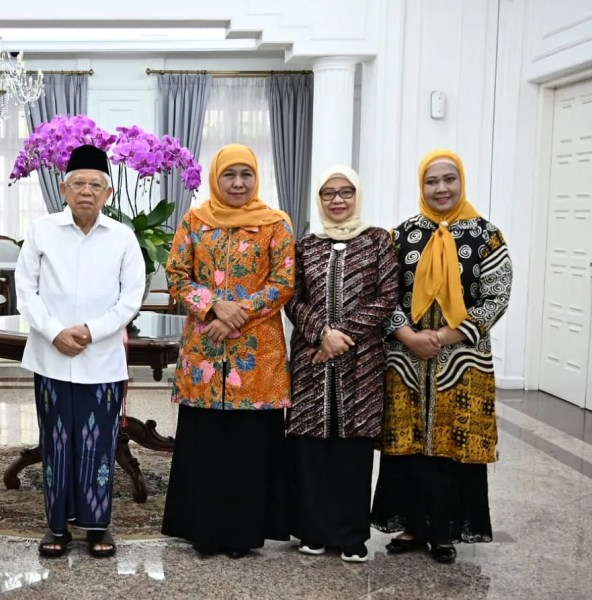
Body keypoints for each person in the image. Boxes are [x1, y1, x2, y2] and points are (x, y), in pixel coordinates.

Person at [371, 149, 512, 564]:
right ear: (422, 186)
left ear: (461, 181)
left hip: (463, 360)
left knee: (453, 445)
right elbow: (384, 293)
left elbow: (497, 296)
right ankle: (412, 526)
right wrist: (408, 335)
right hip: (406, 360)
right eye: (432, 181)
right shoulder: (402, 236)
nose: (441, 188)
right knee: (408, 446)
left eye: (449, 179)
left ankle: (445, 531)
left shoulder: (487, 236)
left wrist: (446, 335)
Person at [161, 143, 295, 558]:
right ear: (215, 178)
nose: (238, 183)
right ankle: (202, 530)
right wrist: (212, 306)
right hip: (205, 351)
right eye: (229, 175)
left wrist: (236, 313)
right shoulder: (195, 221)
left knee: (248, 448)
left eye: (246, 174)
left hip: (257, 355)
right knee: (205, 445)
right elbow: (176, 274)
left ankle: (243, 533)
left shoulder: (275, 224)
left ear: (256, 178)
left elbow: (284, 282)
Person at [15, 144, 145, 558]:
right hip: (50, 357)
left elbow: (131, 298)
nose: (86, 191)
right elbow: (25, 290)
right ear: (63, 189)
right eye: (78, 184)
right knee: (55, 444)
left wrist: (91, 331)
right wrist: (55, 332)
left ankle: (97, 525)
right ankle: (56, 526)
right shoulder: (42, 231)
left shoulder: (122, 237)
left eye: (95, 185)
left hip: (102, 360)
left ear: (108, 193)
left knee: (98, 445)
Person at [284, 165, 399, 562]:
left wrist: (340, 336)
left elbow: (387, 297)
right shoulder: (306, 245)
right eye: (329, 193)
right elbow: (293, 298)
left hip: (361, 361)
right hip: (311, 359)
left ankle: (352, 535)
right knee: (311, 449)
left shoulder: (378, 240)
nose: (337, 200)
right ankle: (313, 531)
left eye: (346, 192)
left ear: (357, 196)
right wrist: (321, 334)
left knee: (353, 450)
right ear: (319, 199)